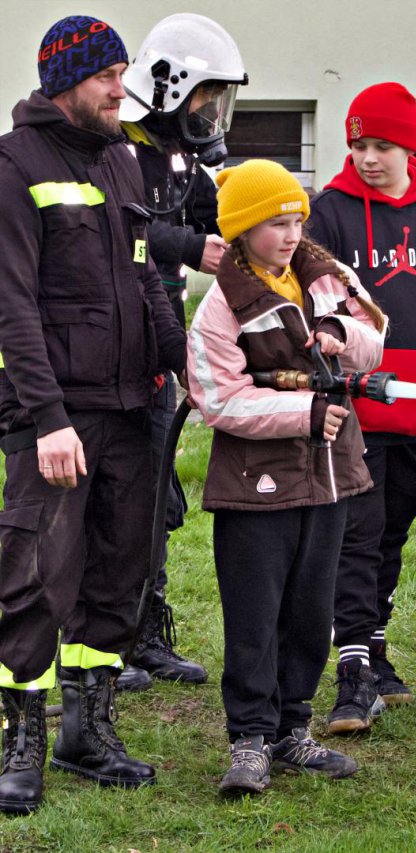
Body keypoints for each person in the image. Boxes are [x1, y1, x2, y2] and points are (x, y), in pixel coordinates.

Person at [0, 15, 187, 813]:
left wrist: (183, 363)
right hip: (58, 417)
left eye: (124, 73)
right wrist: (47, 420)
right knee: (37, 578)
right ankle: (23, 740)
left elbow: (146, 278)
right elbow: (10, 306)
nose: (123, 89)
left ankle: (89, 732)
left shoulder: (121, 161)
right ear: (66, 81)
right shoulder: (14, 165)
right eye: (109, 75)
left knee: (119, 575)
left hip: (131, 408)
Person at [187, 159, 386, 795]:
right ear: (243, 231)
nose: (292, 232)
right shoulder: (220, 305)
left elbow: (376, 338)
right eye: (275, 222)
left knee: (310, 609)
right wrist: (305, 411)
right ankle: (249, 738)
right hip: (254, 486)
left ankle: (292, 728)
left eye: (297, 218)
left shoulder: (327, 277)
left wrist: (339, 334)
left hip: (328, 476)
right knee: (256, 614)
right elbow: (217, 398)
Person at [308, 82, 416, 733]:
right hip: (356, 416)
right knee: (355, 536)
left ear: (409, 145)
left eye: (380, 145)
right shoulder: (328, 213)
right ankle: (351, 674)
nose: (366, 157)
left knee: (390, 535)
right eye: (357, 144)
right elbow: (315, 308)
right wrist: (343, 378)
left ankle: (374, 649)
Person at [114, 13, 249, 691]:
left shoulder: (181, 160)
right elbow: (124, 234)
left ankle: (145, 628)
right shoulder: (116, 150)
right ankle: (103, 633)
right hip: (113, 339)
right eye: (207, 97)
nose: (212, 113)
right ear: (171, 89)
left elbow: (217, 220)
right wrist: (191, 249)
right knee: (118, 488)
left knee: (159, 490)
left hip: (164, 339)